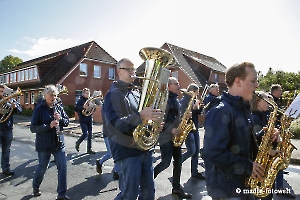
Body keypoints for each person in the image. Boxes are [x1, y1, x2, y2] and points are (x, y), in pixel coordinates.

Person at [103, 58, 162, 200]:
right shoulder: (113, 95)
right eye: (128, 69)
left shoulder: (135, 93)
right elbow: (114, 126)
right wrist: (140, 116)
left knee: (149, 193)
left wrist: (153, 124)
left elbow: (141, 121)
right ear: (119, 72)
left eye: (133, 69)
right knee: (129, 195)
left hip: (144, 150)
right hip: (127, 152)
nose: (132, 72)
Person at [203, 62, 264, 199]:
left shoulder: (242, 108)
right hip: (227, 190)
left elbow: (242, 140)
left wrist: (264, 135)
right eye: (253, 81)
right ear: (238, 81)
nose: (257, 86)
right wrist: (248, 166)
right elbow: (215, 152)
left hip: (241, 184)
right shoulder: (220, 111)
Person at [154, 77, 192, 199]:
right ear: (169, 86)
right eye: (176, 83)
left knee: (178, 162)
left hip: (175, 136)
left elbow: (175, 116)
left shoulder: (175, 99)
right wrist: (171, 129)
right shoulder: (164, 99)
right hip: (165, 136)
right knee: (165, 162)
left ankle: (176, 188)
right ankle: (147, 181)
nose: (179, 85)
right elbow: (160, 118)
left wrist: (184, 118)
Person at [30, 85, 70, 200]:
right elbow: (33, 128)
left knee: (63, 167)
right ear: (45, 95)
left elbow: (66, 122)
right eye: (51, 95)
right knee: (43, 167)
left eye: (55, 95)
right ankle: (36, 186)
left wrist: (60, 119)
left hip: (58, 143)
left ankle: (61, 194)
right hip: (44, 144)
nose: (53, 98)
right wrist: (49, 126)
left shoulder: (58, 106)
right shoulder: (39, 108)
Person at [270, 84, 295, 199]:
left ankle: (278, 185)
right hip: (273, 138)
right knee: (276, 161)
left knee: (277, 162)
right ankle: (278, 187)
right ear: (275, 92)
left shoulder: (276, 103)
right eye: (279, 91)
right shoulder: (271, 103)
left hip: (277, 135)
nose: (281, 92)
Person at [179, 83, 205, 180]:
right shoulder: (184, 100)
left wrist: (200, 108)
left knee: (196, 151)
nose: (197, 94)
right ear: (192, 91)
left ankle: (194, 172)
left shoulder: (193, 100)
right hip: (187, 128)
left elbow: (196, 113)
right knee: (191, 151)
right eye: (196, 92)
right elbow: (181, 113)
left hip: (195, 127)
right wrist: (193, 109)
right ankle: (178, 161)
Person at [0, 84, 22, 176]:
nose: (2, 93)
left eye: (3, 91)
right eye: (0, 91)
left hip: (7, 129)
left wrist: (15, 107)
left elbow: (20, 111)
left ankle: (6, 168)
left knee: (6, 150)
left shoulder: (11, 100)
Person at [95, 106, 118, 180]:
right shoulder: (107, 105)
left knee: (117, 153)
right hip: (108, 133)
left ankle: (116, 171)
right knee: (111, 153)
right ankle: (99, 162)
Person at [74, 88, 96, 154]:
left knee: (90, 135)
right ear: (83, 94)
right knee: (85, 134)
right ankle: (78, 142)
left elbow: (93, 110)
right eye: (86, 93)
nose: (87, 94)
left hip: (89, 119)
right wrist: (83, 107)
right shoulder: (80, 100)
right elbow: (76, 109)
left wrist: (93, 107)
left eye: (88, 93)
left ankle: (89, 149)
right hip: (83, 119)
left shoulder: (91, 100)